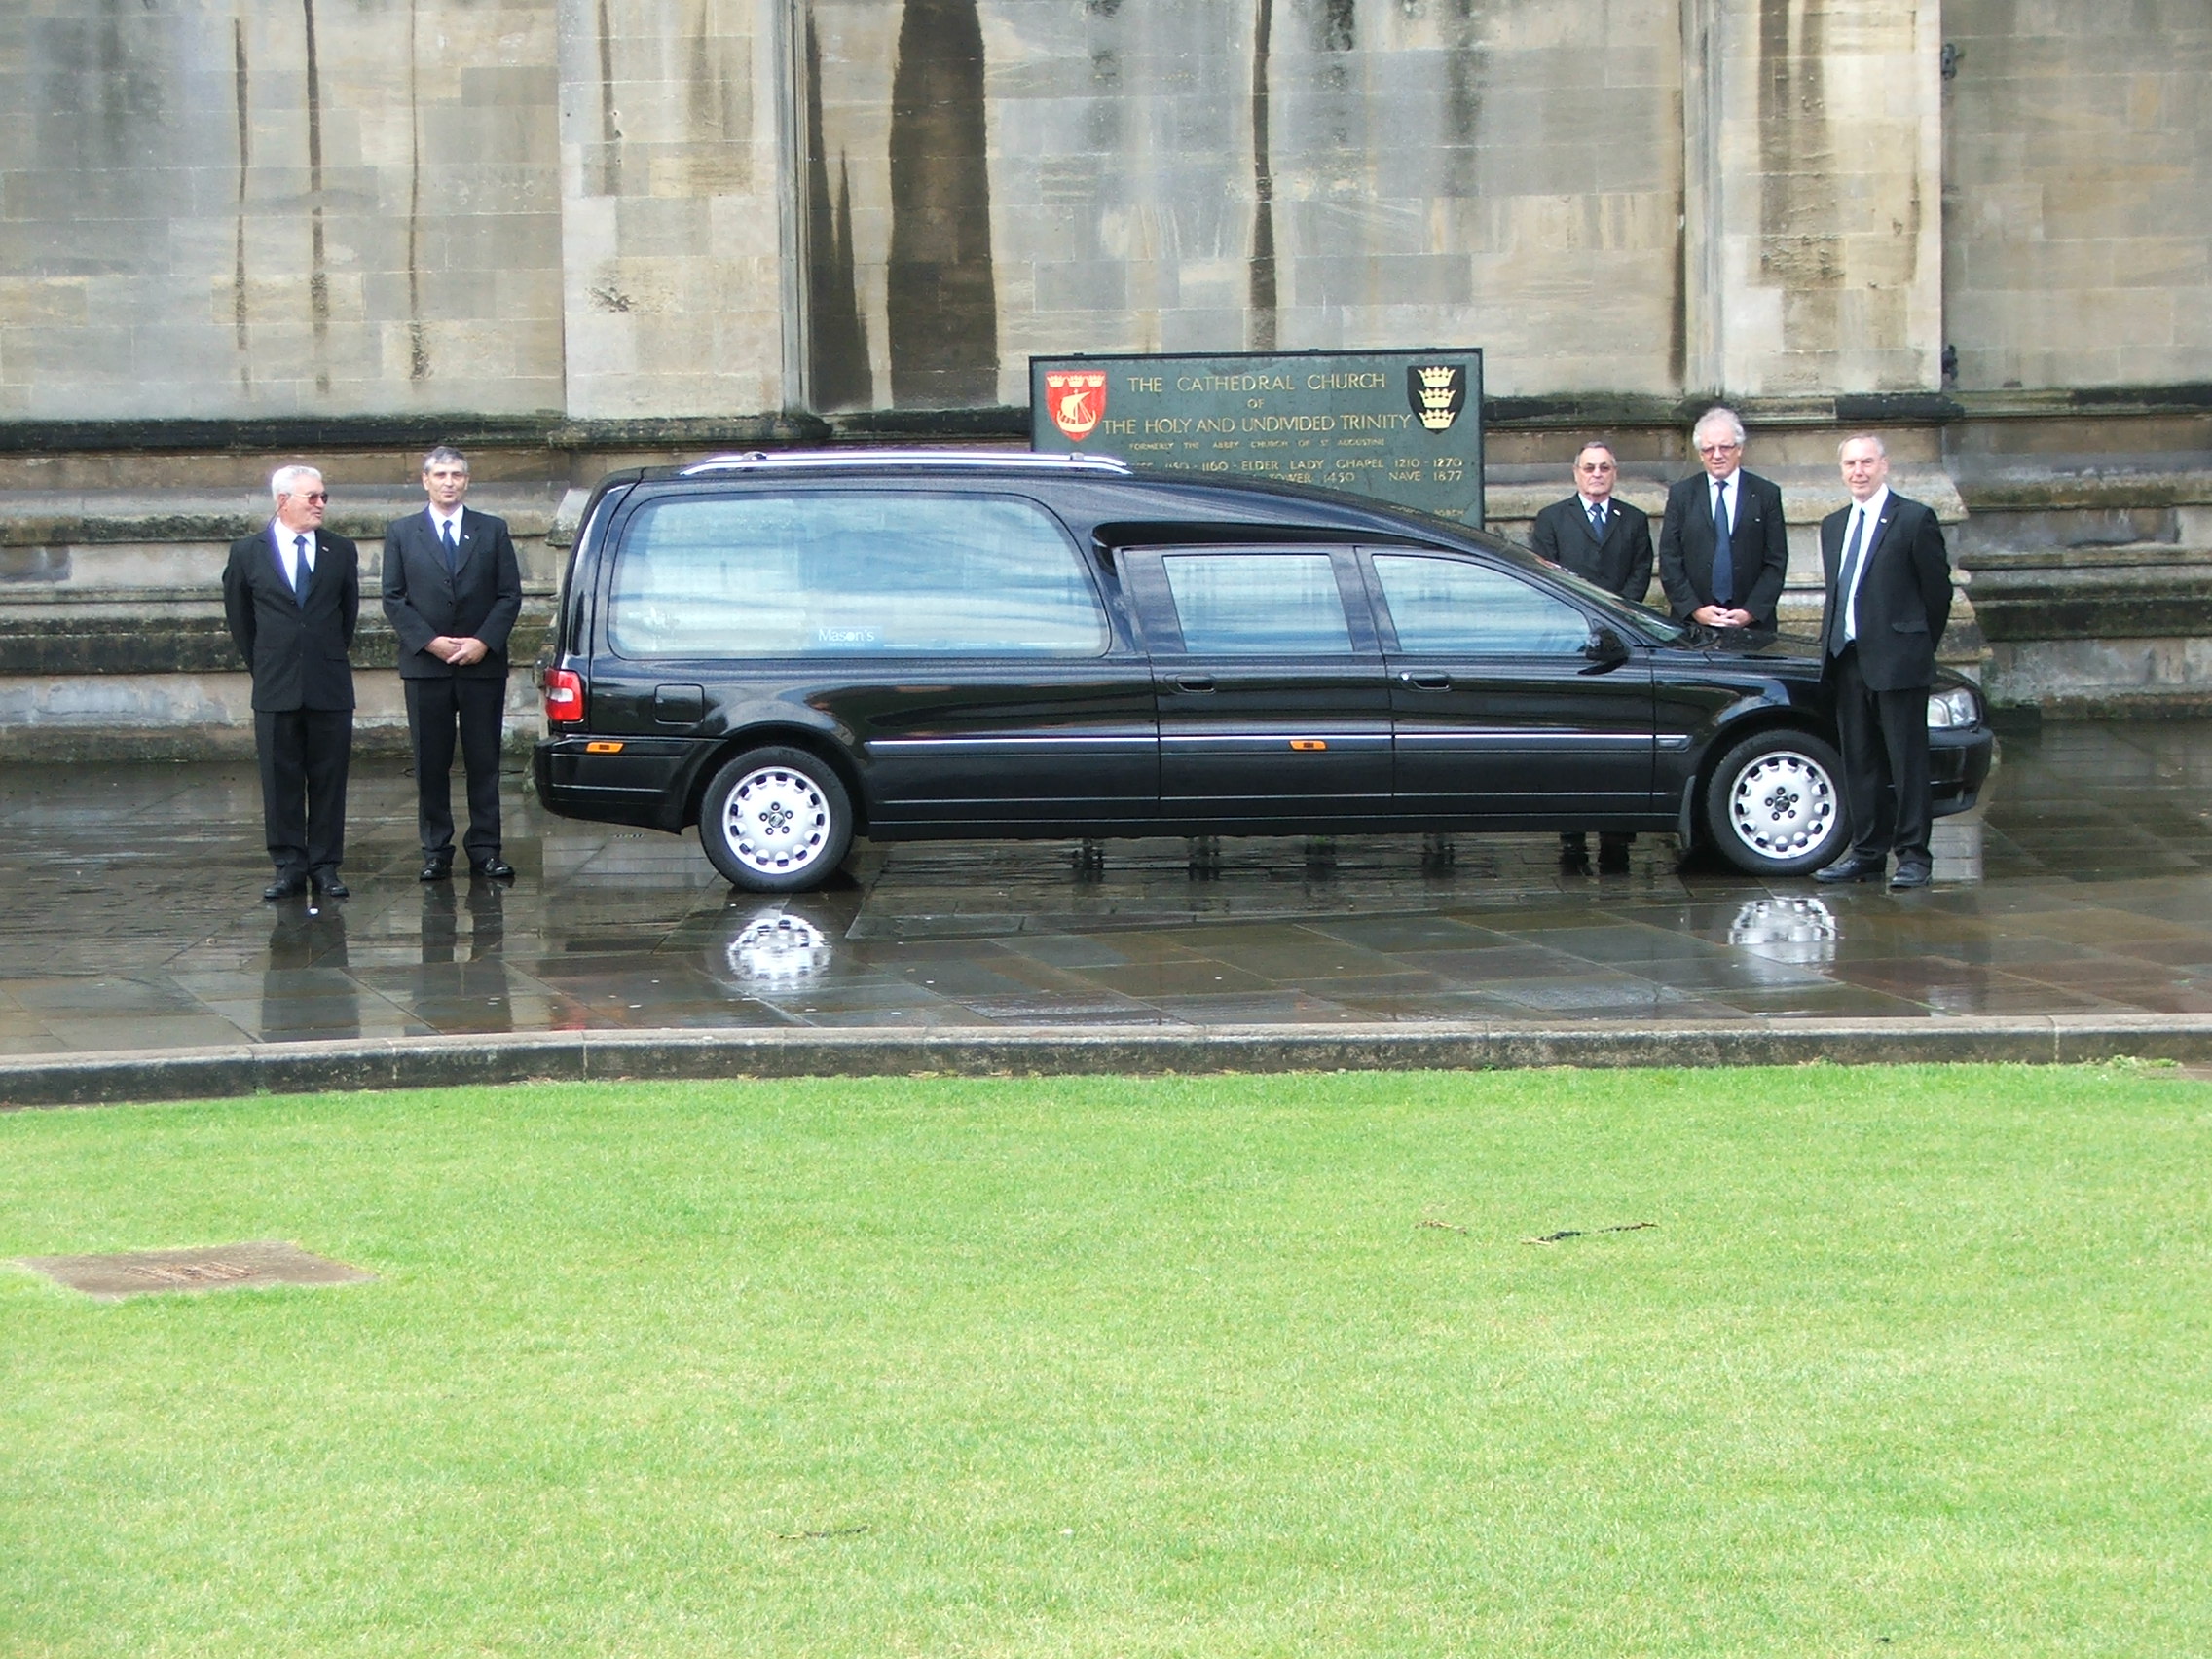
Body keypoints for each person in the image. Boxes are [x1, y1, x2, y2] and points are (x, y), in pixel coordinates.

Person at [1813, 433, 1954, 890]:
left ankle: (1913, 856)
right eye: (1850, 463)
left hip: (1898, 662)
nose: (1859, 471)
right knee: (1860, 763)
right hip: (1848, 659)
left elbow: (1937, 594)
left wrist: (1913, 644)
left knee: (1906, 763)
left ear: (1884, 465)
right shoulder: (1834, 525)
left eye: (1867, 462)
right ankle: (1867, 853)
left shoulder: (1913, 519)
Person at [382, 446, 524, 881]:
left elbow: (508, 594)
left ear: (467, 481)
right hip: (427, 667)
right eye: (440, 474)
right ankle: (435, 849)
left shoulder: (492, 529)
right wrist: (430, 642)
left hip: (481, 666)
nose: (448, 482)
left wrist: (483, 641)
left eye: (456, 474)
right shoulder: (402, 532)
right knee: (431, 761)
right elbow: (393, 597)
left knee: (484, 761)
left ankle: (485, 848)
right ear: (425, 480)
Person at [224, 464, 359, 900]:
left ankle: (325, 865)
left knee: (328, 778)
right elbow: (241, 621)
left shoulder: (341, 550)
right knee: (279, 779)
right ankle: (288, 865)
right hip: (275, 684)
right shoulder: (248, 552)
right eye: (312, 497)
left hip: (328, 683)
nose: (321, 504)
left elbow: (347, 617)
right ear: (283, 501)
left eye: (323, 496)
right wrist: (268, 666)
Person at [1530, 440, 1654, 871]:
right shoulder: (1552, 519)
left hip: (1622, 646)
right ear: (1576, 473)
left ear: (1614, 473)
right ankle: (1571, 835)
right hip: (1570, 646)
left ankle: (1617, 834)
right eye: (1589, 468)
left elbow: (1640, 571)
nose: (1597, 474)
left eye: (1604, 468)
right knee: (1572, 738)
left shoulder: (1634, 520)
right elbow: (1545, 574)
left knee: (1621, 739)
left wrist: (1618, 618)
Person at [1658, 406, 1789, 632]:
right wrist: (1695, 610)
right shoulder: (1682, 494)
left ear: (1739, 449)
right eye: (1708, 449)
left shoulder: (1766, 493)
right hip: (1693, 626)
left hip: (1753, 626)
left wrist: (1751, 612)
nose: (1717, 455)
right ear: (1700, 454)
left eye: (1725, 447)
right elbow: (1670, 560)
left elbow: (1776, 561)